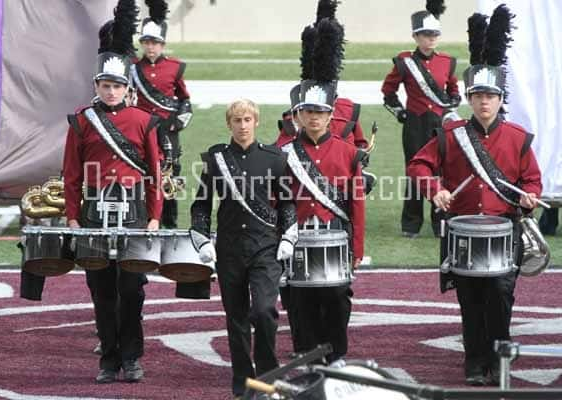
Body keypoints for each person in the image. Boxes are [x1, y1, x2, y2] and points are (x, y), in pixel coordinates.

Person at [407, 6, 542, 386]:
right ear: (468, 97)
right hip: (463, 230)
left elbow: (532, 180)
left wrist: (530, 196)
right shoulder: (450, 137)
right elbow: (418, 166)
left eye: (491, 96)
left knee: (500, 295)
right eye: (478, 96)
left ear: (500, 100)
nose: (484, 102)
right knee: (470, 298)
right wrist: (436, 190)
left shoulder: (517, 138)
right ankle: (474, 360)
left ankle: (498, 356)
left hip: (504, 228)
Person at [63, 0, 162, 384]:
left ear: (126, 88)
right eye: (105, 85)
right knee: (101, 291)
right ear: (96, 86)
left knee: (133, 289)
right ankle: (108, 360)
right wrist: (73, 214)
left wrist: (154, 215)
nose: (111, 91)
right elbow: (72, 173)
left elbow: (153, 173)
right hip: (94, 212)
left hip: (135, 210)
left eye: (117, 86)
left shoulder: (144, 121)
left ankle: (133, 358)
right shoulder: (82, 120)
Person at [190, 99, 297, 399]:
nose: (242, 125)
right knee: (235, 317)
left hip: (265, 247)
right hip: (229, 249)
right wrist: (202, 240)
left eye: (248, 119)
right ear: (229, 124)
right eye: (237, 120)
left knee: (264, 311)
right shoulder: (215, 160)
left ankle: (267, 376)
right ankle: (242, 377)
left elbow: (287, 202)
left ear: (256, 122)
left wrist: (288, 236)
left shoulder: (275, 158)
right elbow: (201, 205)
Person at [276, 15, 365, 365]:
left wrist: (357, 247)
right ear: (297, 115)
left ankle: (337, 353)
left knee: (338, 296)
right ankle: (307, 353)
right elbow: (276, 198)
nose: (314, 118)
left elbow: (356, 202)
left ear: (331, 117)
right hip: (296, 235)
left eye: (320, 113)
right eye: (308, 112)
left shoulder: (348, 153)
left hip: (334, 235)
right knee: (298, 298)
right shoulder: (282, 153)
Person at [381, 0, 460, 238]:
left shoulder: (447, 61)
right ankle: (411, 224)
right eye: (426, 35)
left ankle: (440, 222)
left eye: (434, 34)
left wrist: (453, 101)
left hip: (439, 125)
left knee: (442, 172)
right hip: (414, 124)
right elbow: (388, 92)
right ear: (416, 37)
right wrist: (400, 112)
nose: (431, 39)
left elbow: (453, 89)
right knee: (415, 172)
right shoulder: (404, 62)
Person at [131, 0, 192, 229]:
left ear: (163, 44)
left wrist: (177, 123)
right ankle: (144, 220)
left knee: (170, 179)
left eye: (155, 43)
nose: (150, 47)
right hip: (143, 131)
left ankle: (170, 224)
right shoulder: (134, 68)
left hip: (168, 133)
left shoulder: (175, 67)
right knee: (143, 176)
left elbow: (185, 100)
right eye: (146, 42)